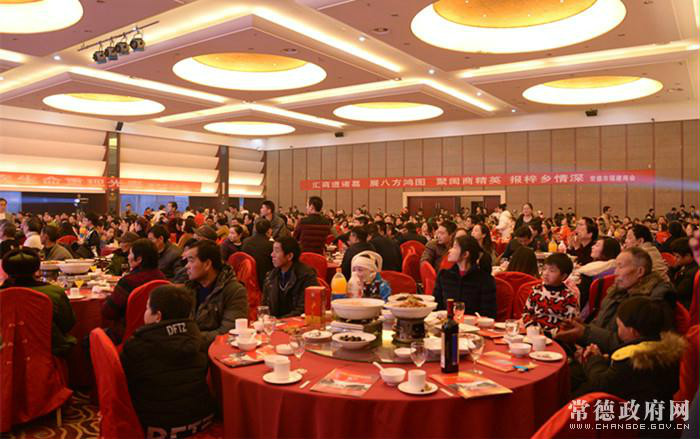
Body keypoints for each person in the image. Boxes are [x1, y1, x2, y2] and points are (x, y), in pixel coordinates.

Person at [121, 285, 216, 438]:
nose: (145, 312)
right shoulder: (199, 341)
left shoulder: (136, 347)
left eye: (147, 308)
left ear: (158, 316)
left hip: (157, 429)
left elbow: (124, 388)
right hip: (202, 421)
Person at [573, 296, 685, 418]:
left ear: (633, 331)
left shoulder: (635, 359)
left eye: (619, 326)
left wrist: (594, 359)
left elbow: (602, 384)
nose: (618, 331)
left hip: (634, 421)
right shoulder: (666, 351)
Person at [556, 247, 676, 354]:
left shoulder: (650, 303)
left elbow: (632, 346)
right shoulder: (619, 291)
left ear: (640, 271)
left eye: (620, 267)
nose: (615, 272)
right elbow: (600, 325)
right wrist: (581, 327)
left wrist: (584, 333)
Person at [1, 248, 76, 356]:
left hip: (4, 351)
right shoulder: (54, 292)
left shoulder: (2, 294)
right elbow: (68, 324)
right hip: (48, 350)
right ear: (36, 269)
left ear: (6, 270)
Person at [184, 240, 248, 346]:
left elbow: (229, 332)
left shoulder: (234, 291)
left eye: (191, 261)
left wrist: (189, 339)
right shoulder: (189, 287)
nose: (187, 266)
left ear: (207, 264)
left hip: (213, 349)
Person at [102, 239, 166, 342]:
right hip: (156, 333)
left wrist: (108, 297)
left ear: (139, 259)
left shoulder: (129, 281)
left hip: (128, 335)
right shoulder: (162, 277)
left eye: (130, 253)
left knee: (90, 339)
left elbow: (108, 312)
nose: (128, 257)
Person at [433, 235, 496, 317]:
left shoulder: (485, 280)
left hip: (473, 323)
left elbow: (488, 314)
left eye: (454, 247)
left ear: (465, 254)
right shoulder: (444, 275)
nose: (450, 250)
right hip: (446, 322)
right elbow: (436, 306)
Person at [521, 253, 579, 336]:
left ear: (563, 276)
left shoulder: (568, 296)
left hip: (557, 336)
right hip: (534, 332)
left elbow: (570, 323)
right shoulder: (536, 290)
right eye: (544, 269)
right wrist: (531, 328)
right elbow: (526, 313)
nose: (545, 273)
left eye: (552, 271)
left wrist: (551, 334)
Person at [262, 236, 318, 317]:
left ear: (289, 256)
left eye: (276, 251)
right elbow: (265, 306)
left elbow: (304, 309)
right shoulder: (271, 276)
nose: (272, 255)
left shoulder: (306, 276)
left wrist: (280, 321)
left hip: (296, 322)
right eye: (272, 251)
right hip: (275, 322)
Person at [576, 237, 621, 312]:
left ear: (606, 251)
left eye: (597, 245)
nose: (592, 247)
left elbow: (580, 298)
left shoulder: (590, 272)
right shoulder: (614, 268)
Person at [242, 219, 275, 289]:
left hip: (247, 278)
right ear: (269, 230)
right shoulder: (270, 245)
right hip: (263, 280)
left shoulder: (245, 241)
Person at [668, 237, 698, 309]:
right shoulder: (686, 265)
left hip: (685, 306)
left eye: (677, 256)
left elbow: (677, 293)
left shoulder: (691, 273)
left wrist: (669, 275)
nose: (674, 258)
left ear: (688, 256)